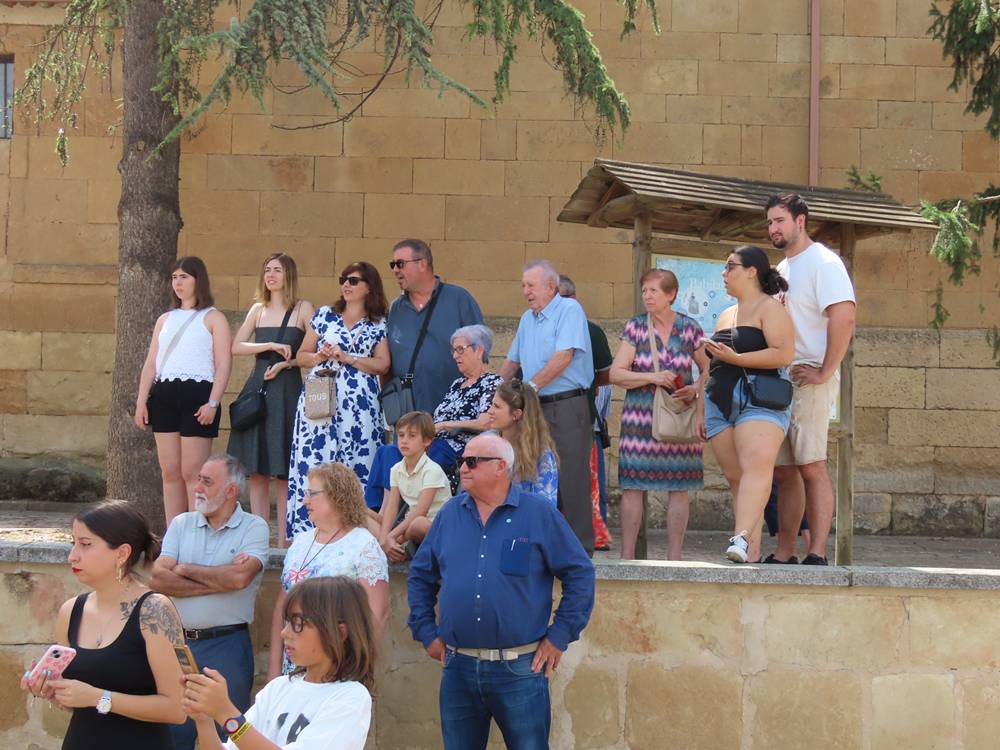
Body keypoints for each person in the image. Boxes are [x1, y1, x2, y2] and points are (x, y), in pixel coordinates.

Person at [407, 434, 595, 750]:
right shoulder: (450, 515)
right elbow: (420, 576)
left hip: (520, 670)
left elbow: (580, 573)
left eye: (471, 462)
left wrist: (559, 635)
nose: (462, 469)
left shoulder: (538, 514)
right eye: (461, 462)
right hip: (459, 669)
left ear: (500, 467)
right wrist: (426, 631)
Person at [21, 500, 186, 749]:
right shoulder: (70, 610)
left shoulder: (154, 610)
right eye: (73, 543)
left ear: (121, 553)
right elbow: (73, 700)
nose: (72, 555)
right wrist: (50, 689)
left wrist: (99, 697)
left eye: (85, 545)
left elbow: (177, 709)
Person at [149, 454, 269, 750]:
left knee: (226, 737)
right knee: (172, 734)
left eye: (207, 481)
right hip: (176, 646)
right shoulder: (182, 523)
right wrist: (221, 580)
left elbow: (240, 580)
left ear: (231, 491)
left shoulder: (254, 528)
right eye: (198, 479)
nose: (197, 487)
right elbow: (159, 580)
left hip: (226, 646)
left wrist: (186, 569)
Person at [766, 193, 857, 565]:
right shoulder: (783, 269)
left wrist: (825, 371)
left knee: (812, 464)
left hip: (811, 377)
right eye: (769, 222)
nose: (773, 228)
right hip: (783, 379)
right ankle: (785, 552)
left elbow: (845, 316)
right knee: (785, 471)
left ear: (800, 221)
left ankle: (817, 552)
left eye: (780, 221)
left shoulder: (824, 262)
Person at [184, 576, 376, 750]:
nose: (284, 633)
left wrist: (226, 713)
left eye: (298, 623)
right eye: (286, 622)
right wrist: (205, 719)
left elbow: (237, 728)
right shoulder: (278, 688)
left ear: (340, 632)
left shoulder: (351, 697)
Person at [286, 261, 391, 541]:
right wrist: (321, 355)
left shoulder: (378, 322)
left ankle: (357, 533)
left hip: (359, 407)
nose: (346, 284)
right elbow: (301, 356)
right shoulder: (325, 315)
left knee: (358, 463)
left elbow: (383, 364)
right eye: (343, 279)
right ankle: (309, 531)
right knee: (316, 461)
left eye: (354, 280)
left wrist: (348, 357)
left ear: (369, 286)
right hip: (321, 398)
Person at [703, 247, 795, 564]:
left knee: (756, 467)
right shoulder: (725, 314)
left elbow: (783, 354)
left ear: (752, 271)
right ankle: (750, 552)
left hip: (759, 399)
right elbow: (712, 363)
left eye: (730, 266)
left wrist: (738, 358)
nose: (724, 273)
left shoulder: (770, 308)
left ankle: (741, 537)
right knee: (736, 478)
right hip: (719, 400)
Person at [610, 268, 709, 561]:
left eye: (654, 291)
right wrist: (653, 377)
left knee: (680, 487)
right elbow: (617, 373)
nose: (647, 296)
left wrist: (694, 389)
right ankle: (627, 557)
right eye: (644, 291)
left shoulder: (690, 328)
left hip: (679, 417)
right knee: (633, 486)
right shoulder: (636, 327)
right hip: (640, 419)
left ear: (671, 294)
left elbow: (709, 368)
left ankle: (674, 558)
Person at [499, 260, 595, 554]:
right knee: (529, 471)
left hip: (566, 403)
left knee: (571, 476)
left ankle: (579, 549)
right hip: (534, 406)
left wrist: (529, 388)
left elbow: (563, 357)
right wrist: (494, 393)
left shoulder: (569, 310)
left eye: (531, 285)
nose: (525, 291)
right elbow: (512, 362)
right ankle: (536, 544)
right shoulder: (527, 318)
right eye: (523, 285)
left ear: (550, 287)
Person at [134, 256, 232, 525]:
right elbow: (151, 364)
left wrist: (213, 403)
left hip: (198, 395)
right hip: (165, 395)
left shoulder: (214, 318)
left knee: (192, 472)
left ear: (198, 281)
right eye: (175, 277)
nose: (178, 283)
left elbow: (224, 364)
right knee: (170, 471)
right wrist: (142, 401)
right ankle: (174, 535)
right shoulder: (165, 319)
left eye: (184, 277)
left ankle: (195, 530)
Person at [269, 462, 389, 680]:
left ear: (336, 496)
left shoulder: (364, 546)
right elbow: (282, 607)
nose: (305, 500)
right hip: (292, 670)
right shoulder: (300, 542)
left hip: (339, 671)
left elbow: (376, 615)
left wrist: (351, 670)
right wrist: (273, 671)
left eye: (312, 494)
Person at [228, 252, 315, 549]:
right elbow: (236, 346)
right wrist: (270, 345)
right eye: (267, 270)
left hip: (288, 390)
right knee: (257, 469)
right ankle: (259, 539)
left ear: (288, 274)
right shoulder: (258, 309)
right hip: (258, 388)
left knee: (284, 469)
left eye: (277, 270)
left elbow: (311, 353)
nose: (270, 275)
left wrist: (287, 362)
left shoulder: (303, 309)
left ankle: (286, 540)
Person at [365, 324, 502, 508]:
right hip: (430, 442)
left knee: (432, 452)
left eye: (460, 350)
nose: (455, 356)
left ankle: (399, 510)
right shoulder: (457, 384)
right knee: (385, 453)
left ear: (479, 350)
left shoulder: (491, 382)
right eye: (453, 350)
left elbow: (486, 422)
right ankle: (373, 512)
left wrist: (446, 425)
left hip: (455, 448)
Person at [386, 239, 484, 414]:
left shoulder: (459, 299)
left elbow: (481, 351)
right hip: (409, 415)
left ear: (422, 264)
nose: (395, 270)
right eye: (393, 264)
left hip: (454, 411)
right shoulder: (395, 309)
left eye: (400, 264)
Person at [558, 274, 614, 551]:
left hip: (582, 416)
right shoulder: (533, 326)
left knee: (589, 481)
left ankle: (592, 537)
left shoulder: (590, 331)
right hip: (549, 420)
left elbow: (605, 375)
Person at [370, 411, 451, 562]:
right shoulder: (396, 469)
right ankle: (387, 547)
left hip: (433, 525)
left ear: (426, 441)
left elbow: (421, 511)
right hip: (407, 524)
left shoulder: (432, 470)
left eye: (412, 436)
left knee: (418, 524)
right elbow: (392, 507)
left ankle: (399, 545)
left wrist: (391, 535)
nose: (404, 441)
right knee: (361, 515)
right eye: (401, 435)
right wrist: (384, 538)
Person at [486, 379, 559, 506]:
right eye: (492, 404)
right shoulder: (485, 443)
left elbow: (545, 507)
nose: (489, 411)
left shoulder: (541, 453)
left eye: (496, 406)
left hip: (523, 521)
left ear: (516, 414)